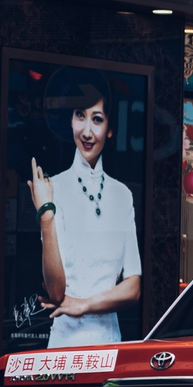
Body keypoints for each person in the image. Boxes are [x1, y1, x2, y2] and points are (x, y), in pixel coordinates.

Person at [26, 74, 141, 347]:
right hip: (65, 344)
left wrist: (83, 304)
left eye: (97, 119)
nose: (87, 132)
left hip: (109, 343)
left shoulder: (122, 196)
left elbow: (133, 287)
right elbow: (56, 292)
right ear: (70, 121)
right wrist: (46, 214)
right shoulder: (53, 188)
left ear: (110, 129)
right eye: (80, 116)